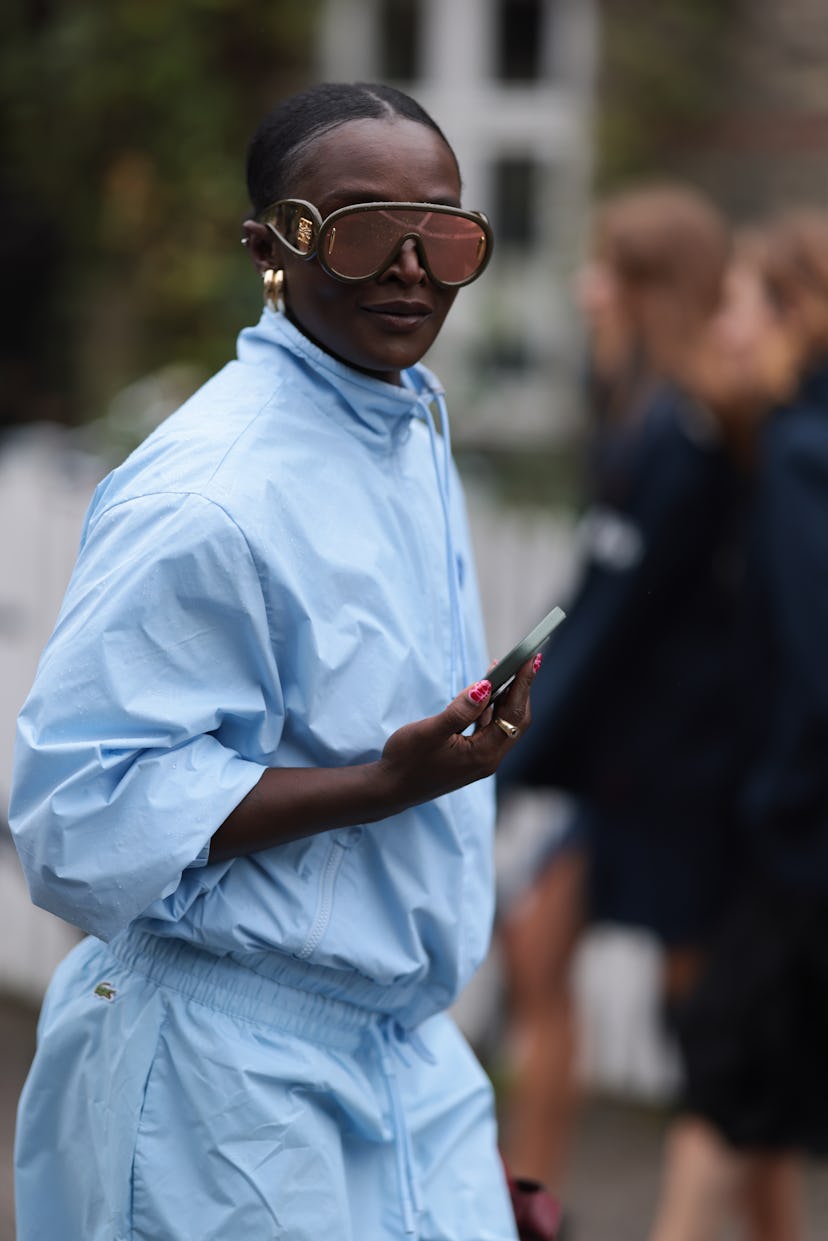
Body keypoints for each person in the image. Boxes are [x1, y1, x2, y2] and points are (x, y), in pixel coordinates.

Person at [9, 81, 545, 1241]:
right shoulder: (210, 491)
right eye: (361, 227)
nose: (411, 265)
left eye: (443, 230)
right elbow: (73, 810)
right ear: (271, 244)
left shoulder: (401, 418)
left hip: (407, 1064)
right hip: (229, 1090)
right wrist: (381, 786)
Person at [494, 184, 757, 1191]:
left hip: (680, 780)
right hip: (624, 772)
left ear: (655, 291)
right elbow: (585, 603)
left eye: (607, 272)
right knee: (536, 951)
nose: (585, 289)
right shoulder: (644, 419)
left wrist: (514, 733)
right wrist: (509, 678)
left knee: (706, 1033)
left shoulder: (683, 439)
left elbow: (604, 617)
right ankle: (527, 1199)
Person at [648, 209, 828, 1241]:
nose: (723, 329)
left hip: (801, 851)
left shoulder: (800, 454)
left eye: (742, 305)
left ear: (796, 315)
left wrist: (773, 805)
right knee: (764, 1108)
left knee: (718, 1087)